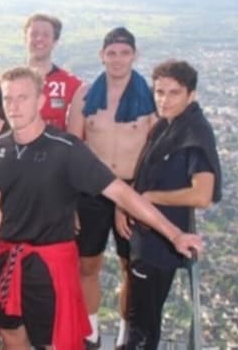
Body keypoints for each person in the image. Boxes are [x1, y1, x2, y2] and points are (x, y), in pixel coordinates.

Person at [0, 66, 203, 350]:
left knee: (51, 343)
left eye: (23, 97)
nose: (14, 106)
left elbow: (121, 193)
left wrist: (174, 234)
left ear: (40, 101)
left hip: (49, 263)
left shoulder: (66, 149)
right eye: (8, 99)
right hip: (7, 259)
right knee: (11, 335)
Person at [69, 27, 158, 349]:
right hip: (92, 191)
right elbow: (73, 149)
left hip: (133, 190)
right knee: (87, 264)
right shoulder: (85, 94)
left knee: (129, 267)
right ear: (101, 56)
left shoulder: (150, 97)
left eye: (124, 53)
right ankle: (90, 332)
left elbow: (154, 152)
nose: (118, 59)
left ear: (135, 55)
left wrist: (131, 198)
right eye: (111, 53)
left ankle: (125, 335)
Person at [124, 60, 221, 349]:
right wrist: (125, 205)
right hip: (148, 237)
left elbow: (202, 195)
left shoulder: (194, 133)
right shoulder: (169, 126)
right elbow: (143, 178)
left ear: (191, 95)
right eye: (159, 92)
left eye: (174, 93)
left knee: (144, 322)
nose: (164, 100)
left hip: (161, 243)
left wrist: (151, 198)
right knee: (139, 316)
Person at [23, 13, 84, 133]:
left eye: (46, 35)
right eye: (34, 34)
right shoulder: (8, 84)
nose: (39, 39)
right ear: (25, 39)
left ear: (55, 42)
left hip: (58, 149)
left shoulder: (73, 85)